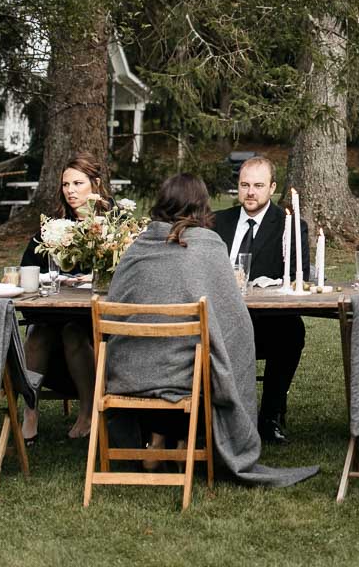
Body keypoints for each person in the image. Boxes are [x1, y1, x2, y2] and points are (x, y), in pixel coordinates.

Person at [102, 173, 318, 487]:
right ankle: (183, 440)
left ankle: (159, 440)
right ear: (202, 205)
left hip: (126, 373)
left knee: (177, 355)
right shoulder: (207, 244)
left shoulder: (138, 246)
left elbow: (115, 304)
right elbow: (233, 320)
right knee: (212, 358)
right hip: (181, 375)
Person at [209, 156, 306, 443]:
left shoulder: (289, 225)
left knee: (292, 331)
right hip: (219, 318)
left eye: (258, 186)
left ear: (272, 188)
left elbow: (295, 274)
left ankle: (270, 416)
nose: (250, 192)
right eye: (244, 185)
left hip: (264, 320)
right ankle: (209, 415)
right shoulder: (217, 222)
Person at [18, 152, 107, 442]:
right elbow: (28, 269)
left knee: (72, 332)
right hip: (53, 312)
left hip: (94, 322)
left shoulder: (112, 224)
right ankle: (30, 411)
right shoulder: (53, 226)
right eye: (66, 184)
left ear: (95, 184)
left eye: (78, 183)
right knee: (38, 333)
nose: (70, 190)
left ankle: (87, 411)